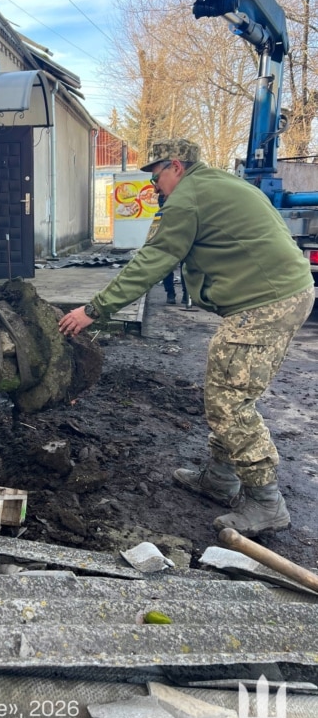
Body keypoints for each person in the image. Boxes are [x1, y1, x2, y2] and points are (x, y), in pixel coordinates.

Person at [58, 138, 314, 536]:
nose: (154, 186)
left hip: (264, 303)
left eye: (156, 175)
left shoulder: (187, 198)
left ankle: (266, 504)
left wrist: (94, 310)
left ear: (176, 166)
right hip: (284, 293)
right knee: (233, 390)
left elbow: (154, 259)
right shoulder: (220, 184)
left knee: (228, 403)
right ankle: (219, 479)